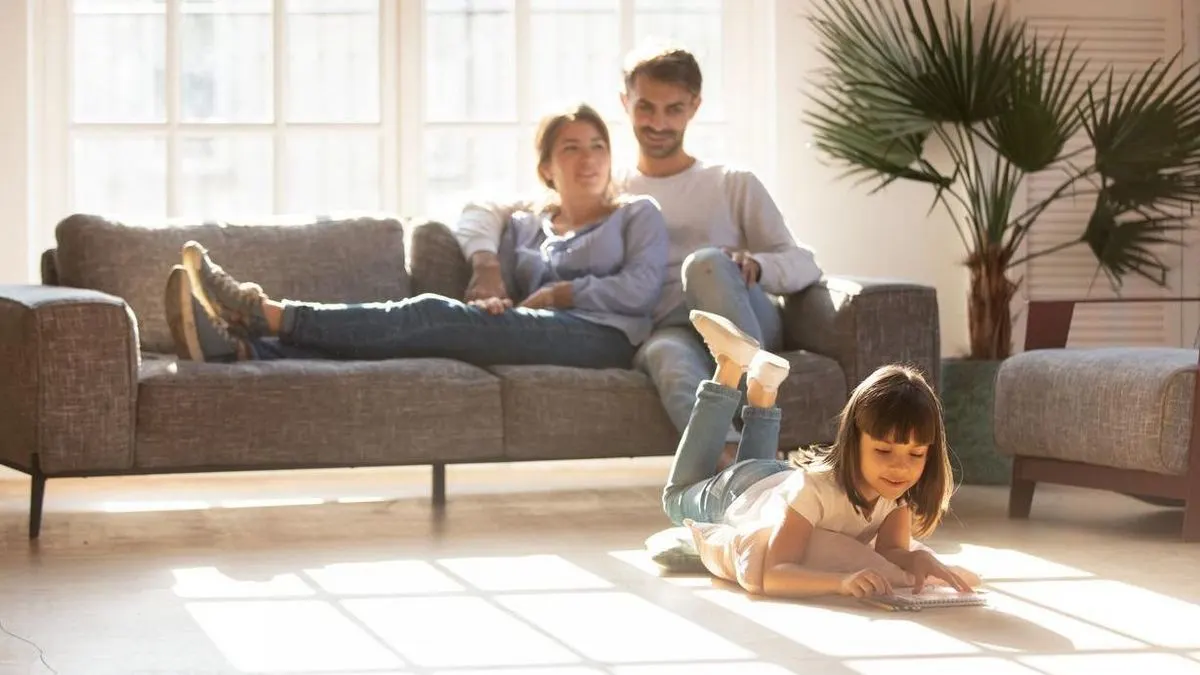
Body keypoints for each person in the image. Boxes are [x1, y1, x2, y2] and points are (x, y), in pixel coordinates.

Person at [454, 46, 824, 460]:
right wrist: (485, 263)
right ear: (625, 103)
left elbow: (803, 262)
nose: (659, 123)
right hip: (671, 328)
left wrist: (755, 264)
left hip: (741, 317)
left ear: (695, 107)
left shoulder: (731, 183)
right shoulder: (612, 188)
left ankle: (760, 412)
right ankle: (739, 466)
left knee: (703, 263)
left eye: (674, 109)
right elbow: (485, 208)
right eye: (646, 107)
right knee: (665, 355)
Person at [163, 103, 669, 369]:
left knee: (431, 313)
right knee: (420, 337)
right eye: (572, 149)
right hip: (536, 329)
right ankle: (246, 352)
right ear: (546, 167)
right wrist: (494, 288)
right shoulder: (523, 226)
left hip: (603, 337)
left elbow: (641, 289)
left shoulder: (637, 214)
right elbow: (488, 239)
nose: (588, 159)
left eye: (598, 146)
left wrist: (562, 292)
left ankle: (264, 314)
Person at [666, 310, 981, 599]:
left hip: (773, 480)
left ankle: (763, 388)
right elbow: (775, 574)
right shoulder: (816, 491)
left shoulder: (895, 489)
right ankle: (729, 368)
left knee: (759, 478)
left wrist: (917, 557)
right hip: (739, 490)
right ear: (853, 440)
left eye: (916, 454)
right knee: (676, 499)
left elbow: (890, 550)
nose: (901, 466)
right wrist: (840, 582)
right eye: (884, 449)